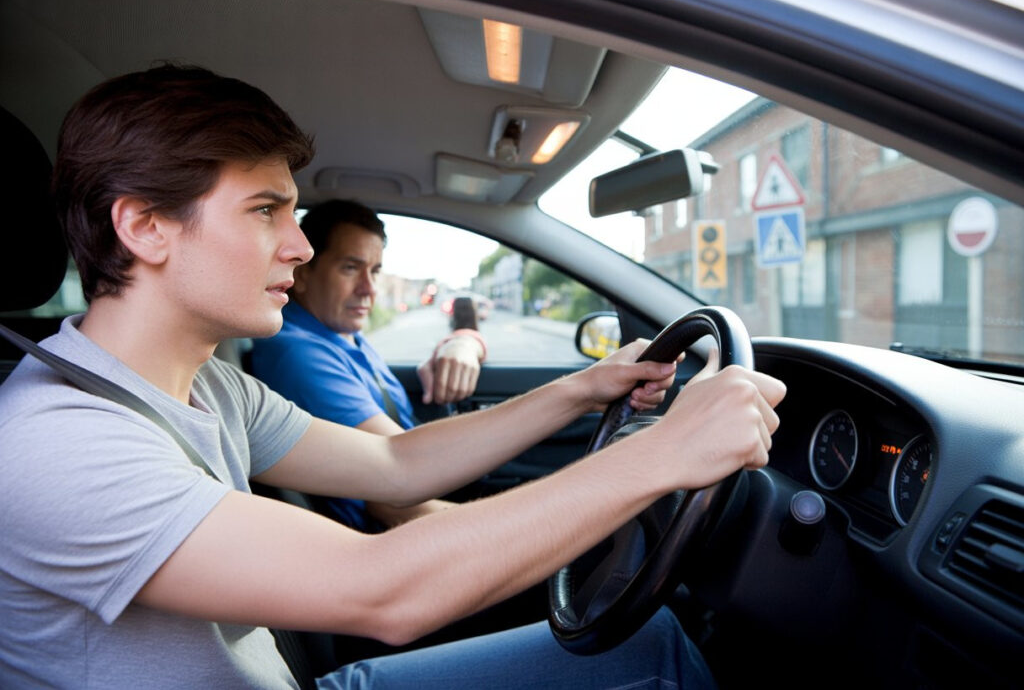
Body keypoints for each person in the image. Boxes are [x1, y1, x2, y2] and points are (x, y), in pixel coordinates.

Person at [0, 64, 785, 689]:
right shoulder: (55, 440)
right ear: (144, 226)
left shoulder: (208, 384)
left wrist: (583, 388)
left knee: (649, 643)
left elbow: (394, 463)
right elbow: (381, 588)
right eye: (266, 211)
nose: (299, 248)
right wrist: (664, 453)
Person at [251, 200, 484, 530]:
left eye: (374, 271)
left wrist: (465, 340)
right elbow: (400, 498)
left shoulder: (340, 334)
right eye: (349, 268)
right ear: (301, 275)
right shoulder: (300, 354)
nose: (369, 289)